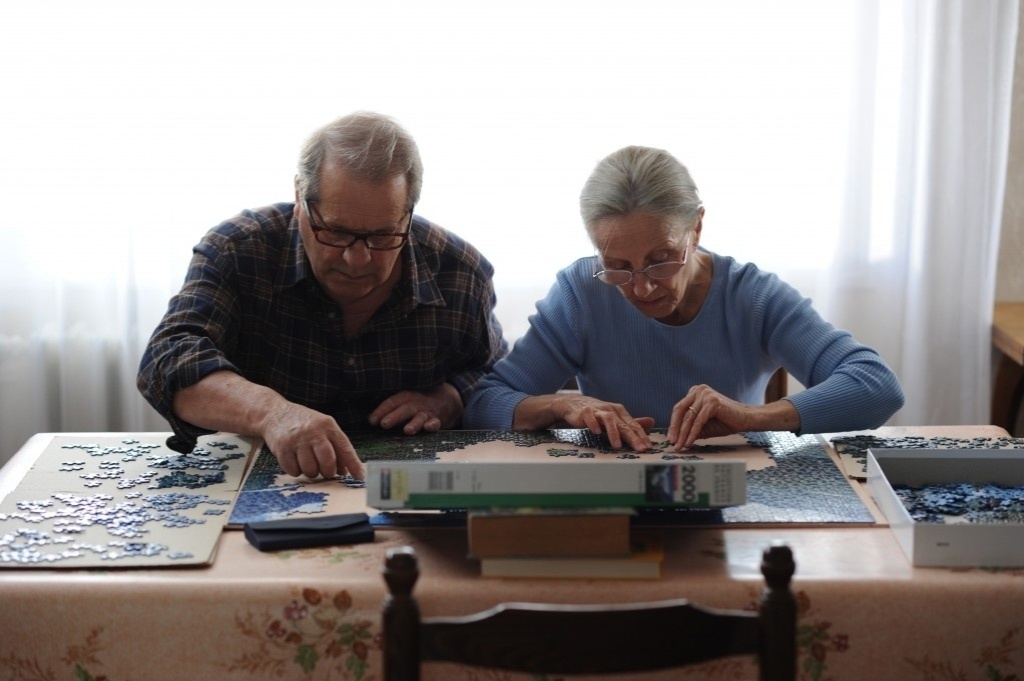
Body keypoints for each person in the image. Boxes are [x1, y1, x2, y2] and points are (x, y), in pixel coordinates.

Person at [138, 111, 507, 479]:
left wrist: (451, 398)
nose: (357, 259)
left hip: (411, 493)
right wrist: (272, 413)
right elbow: (168, 360)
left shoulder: (459, 270)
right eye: (336, 232)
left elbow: (497, 376)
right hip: (261, 487)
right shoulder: (238, 249)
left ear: (408, 213)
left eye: (383, 236)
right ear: (300, 198)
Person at [464, 145, 904, 451]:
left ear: (696, 228)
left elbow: (877, 386)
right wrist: (562, 405)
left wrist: (751, 419)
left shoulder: (752, 297)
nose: (641, 287)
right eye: (618, 265)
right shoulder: (582, 291)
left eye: (662, 260)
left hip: (737, 499)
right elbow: (485, 403)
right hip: (614, 503)